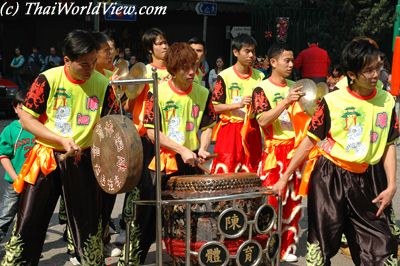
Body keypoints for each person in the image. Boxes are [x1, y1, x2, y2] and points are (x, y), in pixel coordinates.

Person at [273, 38, 398, 265]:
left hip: (366, 179)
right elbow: (310, 141)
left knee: (381, 244)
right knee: (323, 241)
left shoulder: (387, 101)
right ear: (351, 73)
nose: (374, 75)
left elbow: (389, 144)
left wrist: (391, 186)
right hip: (330, 177)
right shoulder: (331, 101)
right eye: (367, 70)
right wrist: (285, 177)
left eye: (377, 69)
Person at [1, 29, 120, 266]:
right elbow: (27, 119)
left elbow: (113, 123)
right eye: (84, 64)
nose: (90, 69)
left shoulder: (103, 84)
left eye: (94, 62)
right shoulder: (48, 79)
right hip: (46, 156)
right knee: (30, 219)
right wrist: (59, 140)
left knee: (86, 222)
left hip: (83, 160)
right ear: (67, 60)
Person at [142, 41, 216, 260]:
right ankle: (133, 258)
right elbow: (152, 132)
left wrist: (202, 148)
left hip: (191, 161)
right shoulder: (157, 92)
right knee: (148, 217)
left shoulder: (203, 93)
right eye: (185, 67)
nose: (192, 72)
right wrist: (181, 149)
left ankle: (184, 257)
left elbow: (207, 127)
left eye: (194, 66)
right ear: (173, 69)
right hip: (164, 161)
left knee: (191, 217)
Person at [120, 27, 170, 265]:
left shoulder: (176, 71)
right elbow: (129, 106)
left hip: (170, 139)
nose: (164, 47)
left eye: (165, 42)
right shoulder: (142, 71)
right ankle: (129, 234)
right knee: (141, 192)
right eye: (159, 44)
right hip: (146, 139)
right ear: (150, 48)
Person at [251, 43, 304, 262]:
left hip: (297, 150)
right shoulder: (261, 89)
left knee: (294, 200)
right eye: (287, 60)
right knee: (271, 201)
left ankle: (287, 247)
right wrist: (285, 101)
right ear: (273, 62)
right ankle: (265, 247)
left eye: (292, 61)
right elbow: (262, 119)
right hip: (274, 151)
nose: (291, 64)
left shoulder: (299, 86)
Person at [210, 33, 264, 174]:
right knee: (226, 170)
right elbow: (214, 107)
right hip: (230, 129)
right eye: (247, 51)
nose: (251, 55)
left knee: (251, 170)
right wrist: (238, 105)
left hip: (252, 129)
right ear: (235, 52)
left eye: (253, 51)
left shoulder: (261, 76)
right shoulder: (225, 76)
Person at [0, 90, 35, 242]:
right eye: (22, 108)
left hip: (34, 183)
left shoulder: (40, 128)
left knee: (29, 217)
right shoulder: (10, 130)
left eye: (29, 108)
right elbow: (3, 156)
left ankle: (21, 247)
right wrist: (16, 178)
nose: (26, 112)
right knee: (6, 215)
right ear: (15, 108)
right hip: (14, 182)